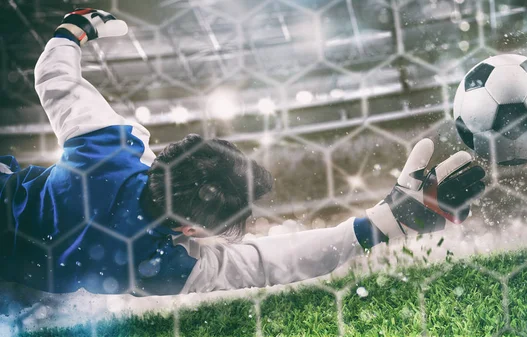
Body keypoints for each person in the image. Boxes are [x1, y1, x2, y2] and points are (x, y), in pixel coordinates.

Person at [0, 9, 485, 296]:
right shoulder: (161, 267)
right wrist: (382, 224)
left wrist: (73, 31)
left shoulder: (105, 145)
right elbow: (267, 261)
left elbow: (55, 80)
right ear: (191, 229)